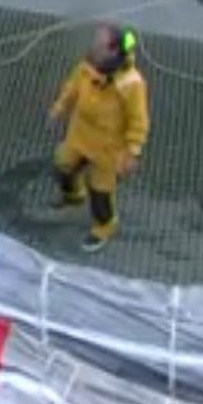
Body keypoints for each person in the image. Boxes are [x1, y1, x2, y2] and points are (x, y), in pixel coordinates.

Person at [49, 24, 150, 253]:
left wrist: (133, 151)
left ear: (115, 51)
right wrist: (59, 109)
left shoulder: (132, 85)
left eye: (100, 45)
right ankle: (73, 195)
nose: (94, 47)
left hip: (108, 150)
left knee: (101, 193)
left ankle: (104, 227)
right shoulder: (88, 66)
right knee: (63, 166)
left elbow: (138, 120)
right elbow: (72, 88)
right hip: (80, 136)